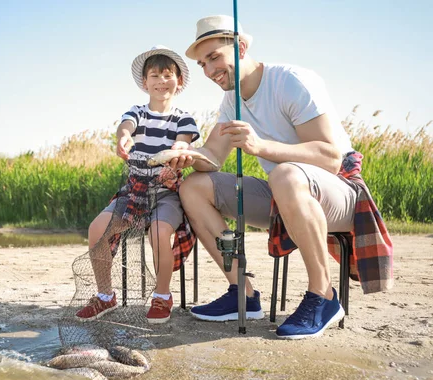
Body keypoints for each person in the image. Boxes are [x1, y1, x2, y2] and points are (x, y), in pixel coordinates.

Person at [168, 15, 392, 339]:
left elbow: (331, 157)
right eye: (203, 63)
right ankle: (242, 293)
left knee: (284, 175)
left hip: (338, 193)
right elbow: (213, 158)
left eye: (215, 57)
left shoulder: (290, 81)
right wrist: (185, 157)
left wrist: (262, 146)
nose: (208, 70)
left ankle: (324, 295)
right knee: (193, 187)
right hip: (282, 192)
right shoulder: (231, 101)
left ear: (241, 47)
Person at [75, 45, 200, 324]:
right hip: (134, 192)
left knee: (158, 232)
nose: (161, 81)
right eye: (154, 76)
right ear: (145, 83)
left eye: (168, 75)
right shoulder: (138, 112)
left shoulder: (183, 118)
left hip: (167, 195)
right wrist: (123, 138)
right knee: (97, 228)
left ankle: (162, 296)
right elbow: (126, 126)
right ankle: (106, 296)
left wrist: (177, 152)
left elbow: (183, 141)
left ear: (179, 82)